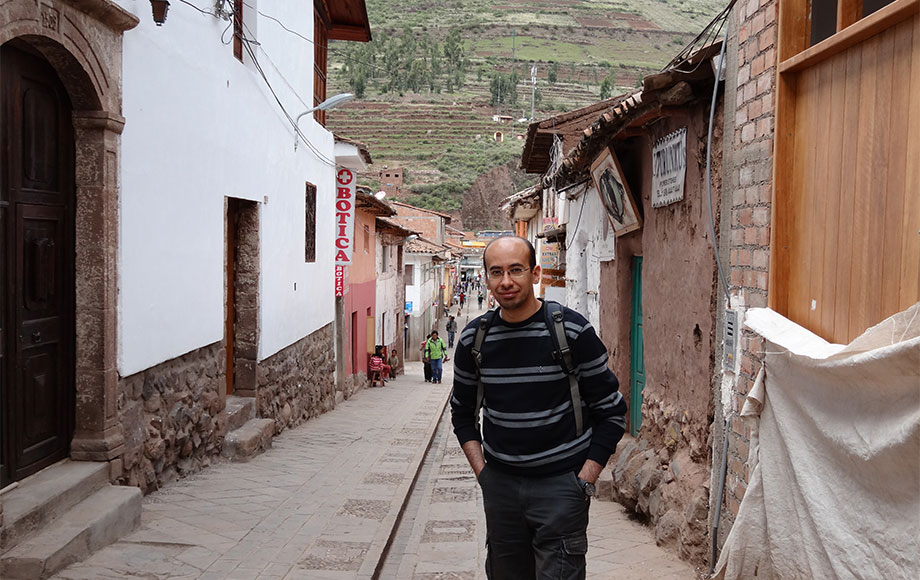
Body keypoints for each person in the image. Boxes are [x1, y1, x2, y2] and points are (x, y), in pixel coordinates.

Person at [450, 236, 627, 580]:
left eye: (516, 270)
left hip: (561, 486)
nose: (506, 282)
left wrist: (584, 481)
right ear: (485, 277)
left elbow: (611, 411)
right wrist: (484, 475)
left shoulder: (572, 331)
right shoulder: (474, 340)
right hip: (501, 487)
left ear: (535, 273)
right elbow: (462, 414)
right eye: (496, 272)